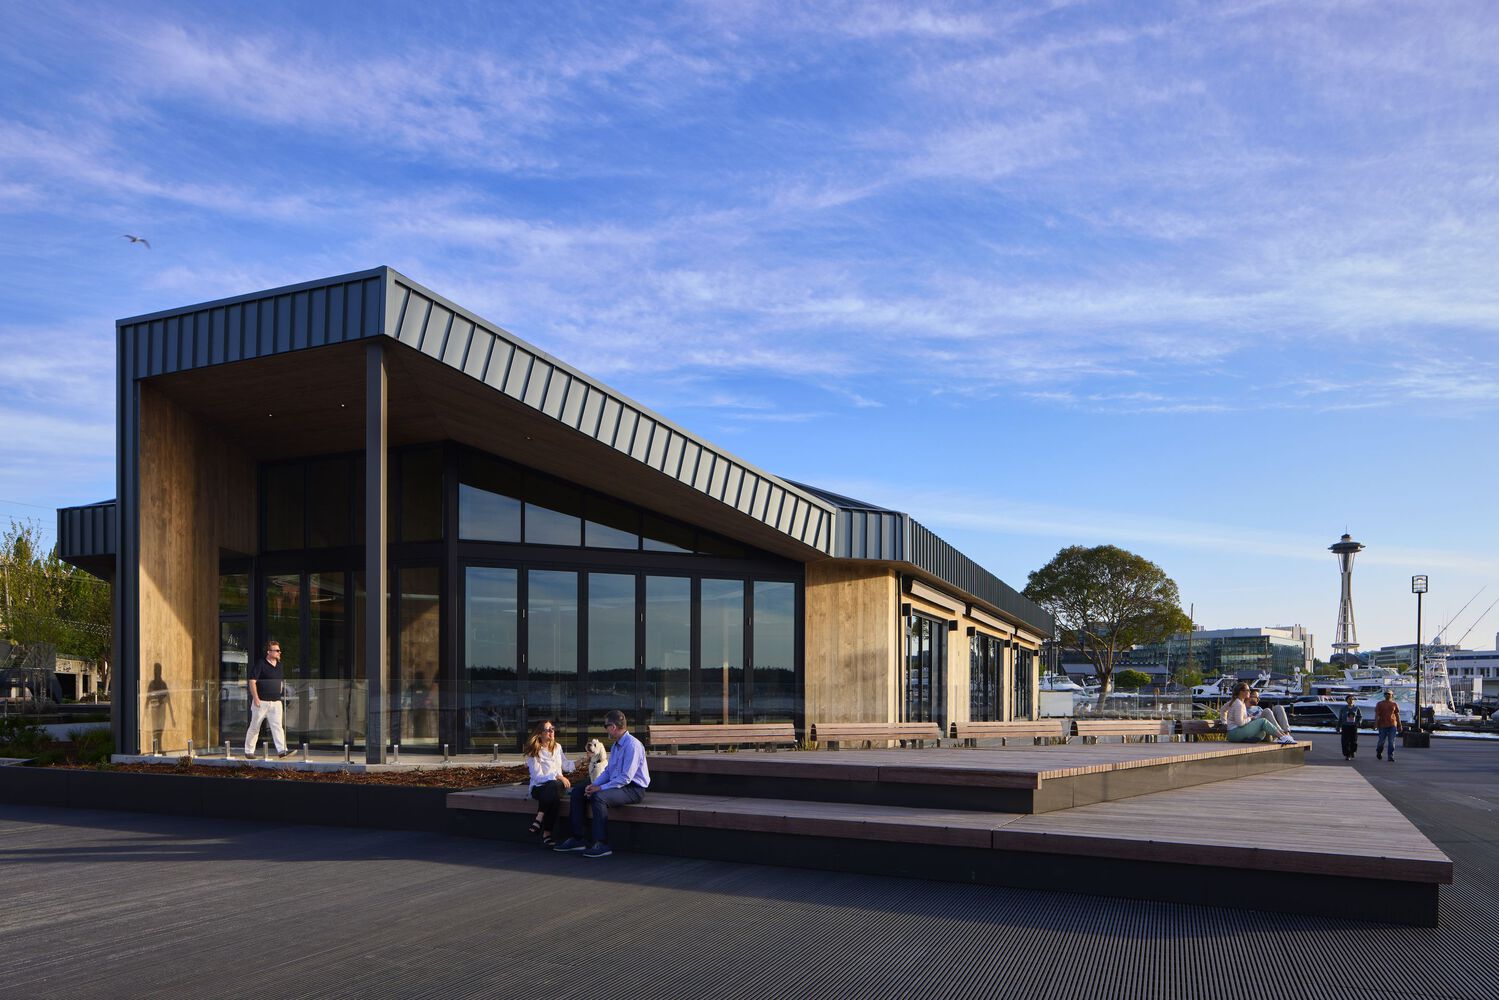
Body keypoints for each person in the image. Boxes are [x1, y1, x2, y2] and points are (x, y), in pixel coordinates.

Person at [554, 709, 649, 858]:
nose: (605, 730)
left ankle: (602, 843)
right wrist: (594, 785)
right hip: (618, 785)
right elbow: (609, 771)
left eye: (606, 726)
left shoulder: (632, 745)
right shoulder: (616, 745)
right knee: (578, 791)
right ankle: (578, 839)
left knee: (598, 797)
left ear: (613, 727)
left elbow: (626, 778)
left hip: (633, 789)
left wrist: (600, 788)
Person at [523, 719, 572, 848]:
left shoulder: (557, 747)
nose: (552, 731)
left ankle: (539, 819)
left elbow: (566, 765)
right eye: (548, 730)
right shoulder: (534, 751)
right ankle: (547, 834)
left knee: (554, 787)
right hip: (538, 788)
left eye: (552, 729)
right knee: (554, 792)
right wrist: (557, 776)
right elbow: (538, 777)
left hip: (556, 786)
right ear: (540, 734)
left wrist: (582, 761)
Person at [245, 639, 293, 759]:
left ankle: (282, 751)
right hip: (261, 702)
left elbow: (280, 681)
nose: (279, 652)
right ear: (269, 652)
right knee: (255, 726)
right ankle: (249, 751)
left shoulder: (280, 665)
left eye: (279, 650)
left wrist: (281, 694)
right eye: (276, 650)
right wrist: (256, 698)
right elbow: (252, 681)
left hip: (276, 702)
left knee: (277, 727)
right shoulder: (261, 664)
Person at [1224, 682, 1296, 744]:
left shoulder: (1258, 708)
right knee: (1267, 711)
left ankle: (1286, 734)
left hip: (1271, 731)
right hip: (1259, 731)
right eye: (1256, 697)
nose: (1259, 699)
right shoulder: (1241, 707)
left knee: (1278, 707)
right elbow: (1241, 723)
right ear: (1249, 696)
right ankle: (1282, 735)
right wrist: (1224, 721)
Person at [1375, 689, 1401, 761]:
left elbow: (1397, 715)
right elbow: (1377, 715)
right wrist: (1376, 724)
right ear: (1384, 695)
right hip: (1382, 725)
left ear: (1392, 695)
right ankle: (1379, 752)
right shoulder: (1380, 704)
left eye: (1389, 694)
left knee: (1391, 741)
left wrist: (1399, 725)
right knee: (1381, 742)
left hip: (1392, 725)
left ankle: (1390, 756)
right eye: (1386, 694)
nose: (1387, 695)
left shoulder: (1394, 704)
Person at [1336, 694, 1363, 760]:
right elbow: (1340, 718)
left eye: (1352, 699)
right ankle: (1347, 755)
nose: (1351, 700)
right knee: (1345, 741)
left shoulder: (1356, 708)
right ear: (1346, 700)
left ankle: (1352, 751)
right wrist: (1338, 727)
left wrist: (1358, 722)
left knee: (1353, 741)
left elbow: (1360, 716)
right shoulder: (1343, 708)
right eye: (1349, 699)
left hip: (1353, 726)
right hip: (1345, 726)